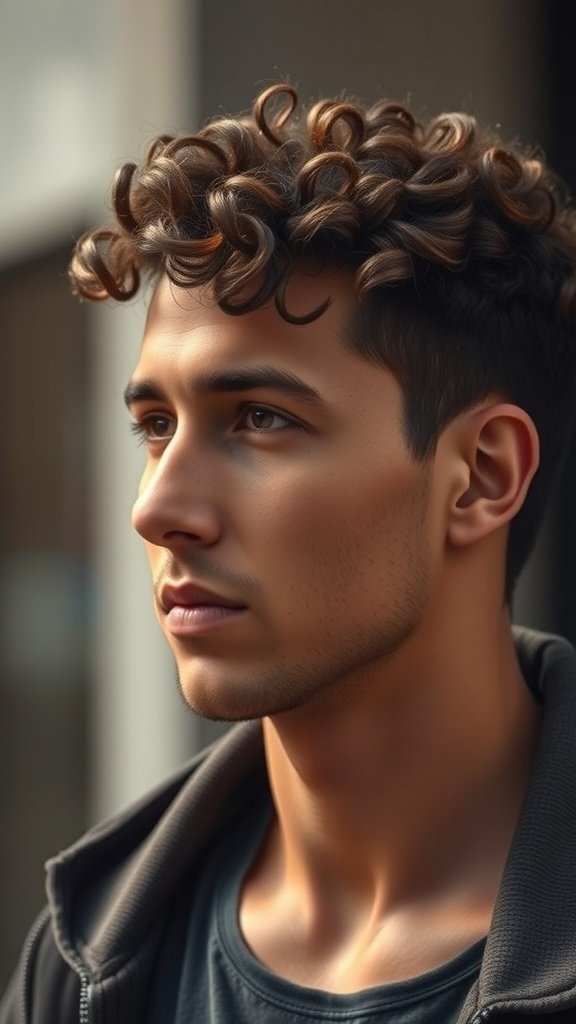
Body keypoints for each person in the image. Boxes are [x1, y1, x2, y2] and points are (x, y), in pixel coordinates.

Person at [3, 82, 576, 1024]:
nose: (158, 508)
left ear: (480, 476)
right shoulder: (89, 958)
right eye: (155, 426)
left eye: (260, 420)